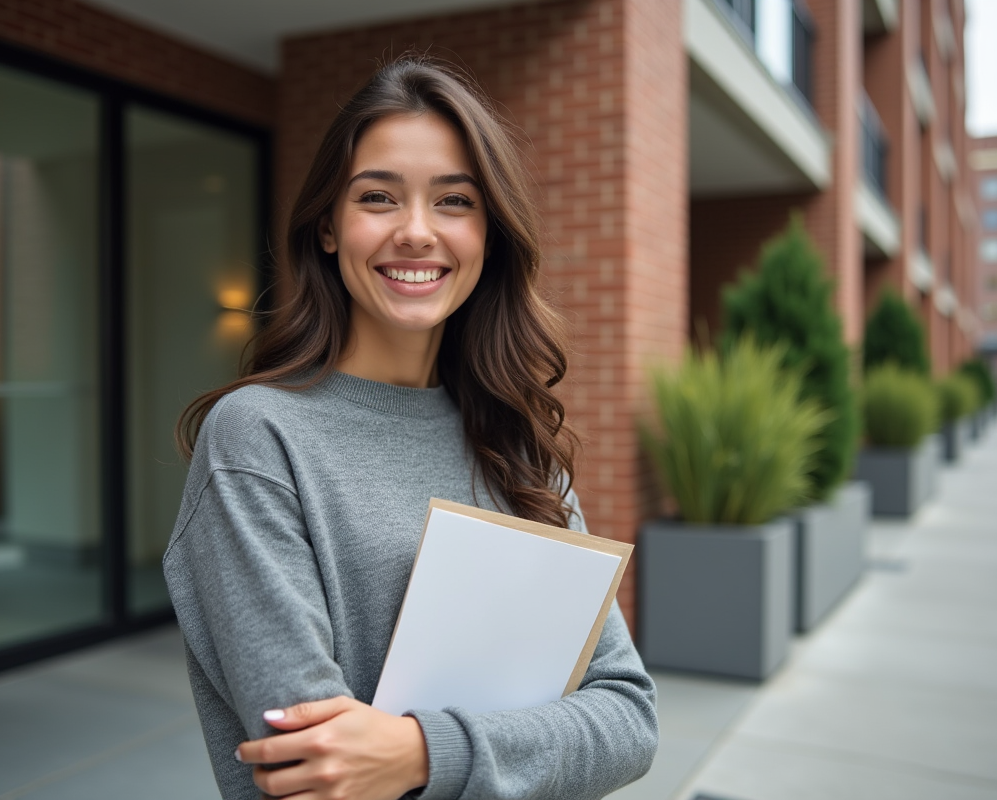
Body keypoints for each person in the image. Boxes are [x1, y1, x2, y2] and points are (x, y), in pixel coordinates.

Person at [164, 56, 658, 800]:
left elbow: (627, 720)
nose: (417, 232)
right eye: (378, 197)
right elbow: (312, 765)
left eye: (454, 201)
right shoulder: (259, 438)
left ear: (488, 234)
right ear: (330, 227)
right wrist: (526, 749)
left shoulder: (515, 444)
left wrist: (422, 750)